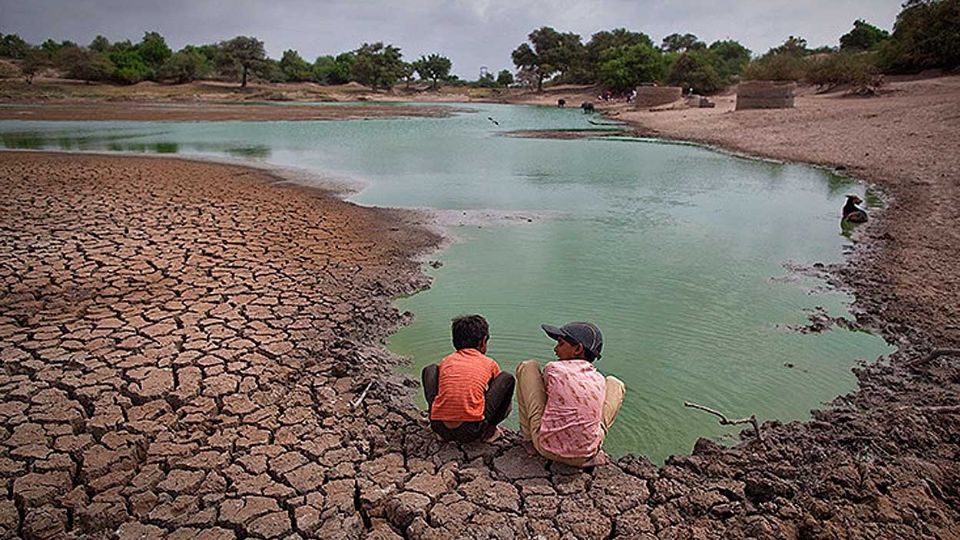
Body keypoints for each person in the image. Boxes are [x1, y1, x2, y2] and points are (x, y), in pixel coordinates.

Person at [515, 321, 625, 467]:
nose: (555, 349)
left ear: (578, 349)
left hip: (546, 449)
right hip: (587, 454)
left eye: (561, 344)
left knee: (528, 367)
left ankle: (528, 439)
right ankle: (591, 446)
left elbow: (547, 398)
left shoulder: (554, 368)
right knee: (616, 384)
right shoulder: (598, 379)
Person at [422, 315, 515, 443]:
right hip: (472, 431)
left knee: (430, 369)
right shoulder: (489, 363)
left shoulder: (447, 361)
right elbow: (498, 395)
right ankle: (490, 431)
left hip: (439, 427)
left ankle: (436, 417)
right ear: (483, 342)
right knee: (507, 379)